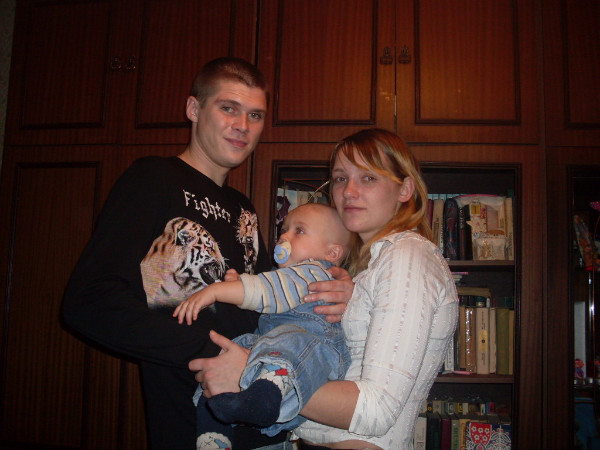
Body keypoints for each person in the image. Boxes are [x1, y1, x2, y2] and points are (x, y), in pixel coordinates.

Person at [61, 57, 352, 450]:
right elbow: (89, 302)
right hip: (192, 424)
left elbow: (271, 298)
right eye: (228, 108)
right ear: (194, 109)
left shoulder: (244, 208)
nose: (243, 125)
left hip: (267, 428)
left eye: (255, 115)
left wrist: (331, 281)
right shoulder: (153, 178)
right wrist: (213, 353)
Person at [191, 128, 459, 450]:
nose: (349, 191)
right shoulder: (367, 267)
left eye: (369, 178)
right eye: (340, 178)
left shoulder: (406, 256)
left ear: (405, 189)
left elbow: (377, 410)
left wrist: (253, 375)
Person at [173, 202, 353, 450]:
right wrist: (241, 282)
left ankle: (262, 400)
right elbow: (272, 287)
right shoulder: (289, 275)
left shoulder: (313, 272)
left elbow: (265, 291)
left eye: (299, 231)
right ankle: (214, 436)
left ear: (331, 253)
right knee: (226, 357)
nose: (284, 237)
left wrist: (217, 291)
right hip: (278, 353)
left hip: (309, 353)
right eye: (284, 229)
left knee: (289, 342)